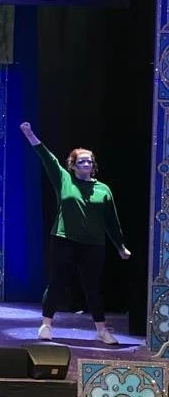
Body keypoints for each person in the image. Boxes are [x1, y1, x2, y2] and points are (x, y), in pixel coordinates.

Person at [19, 122, 131, 345]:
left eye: (89, 161)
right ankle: (46, 325)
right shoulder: (64, 179)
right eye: (81, 161)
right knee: (57, 283)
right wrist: (30, 134)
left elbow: (112, 221)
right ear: (73, 165)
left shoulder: (103, 189)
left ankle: (101, 330)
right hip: (64, 240)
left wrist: (120, 246)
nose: (86, 164)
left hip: (93, 244)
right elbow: (47, 157)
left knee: (92, 287)